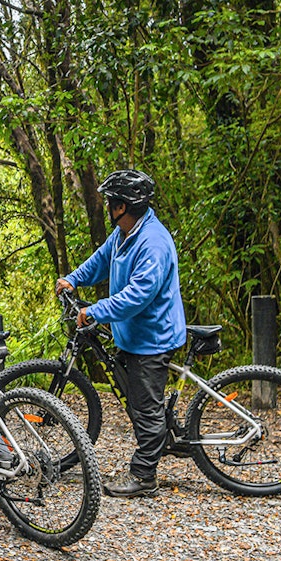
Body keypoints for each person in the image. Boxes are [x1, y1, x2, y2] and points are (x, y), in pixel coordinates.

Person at [56, 169, 185, 498]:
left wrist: (94, 311)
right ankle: (158, 438)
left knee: (145, 407)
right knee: (140, 402)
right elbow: (100, 261)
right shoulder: (124, 233)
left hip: (152, 338)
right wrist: (73, 279)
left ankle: (144, 477)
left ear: (122, 207)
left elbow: (138, 296)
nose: (107, 206)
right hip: (133, 337)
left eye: (111, 201)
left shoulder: (153, 243)